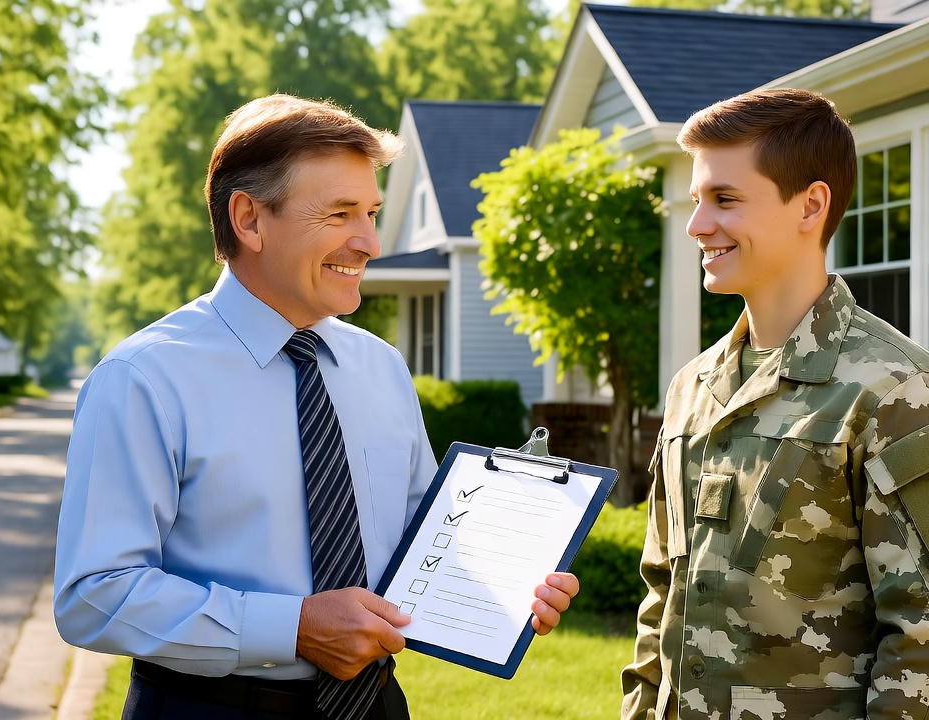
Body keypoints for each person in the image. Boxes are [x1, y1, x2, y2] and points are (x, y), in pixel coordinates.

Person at [53, 94, 579, 720]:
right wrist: (292, 627)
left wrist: (509, 585)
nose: (371, 243)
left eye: (373, 213)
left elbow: (423, 551)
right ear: (249, 219)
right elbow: (93, 595)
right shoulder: (144, 379)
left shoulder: (381, 367)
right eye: (340, 215)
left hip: (378, 707)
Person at [621, 89, 929, 720]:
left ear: (810, 205)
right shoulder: (691, 389)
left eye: (725, 199)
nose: (696, 225)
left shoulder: (898, 391)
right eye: (696, 201)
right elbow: (663, 597)